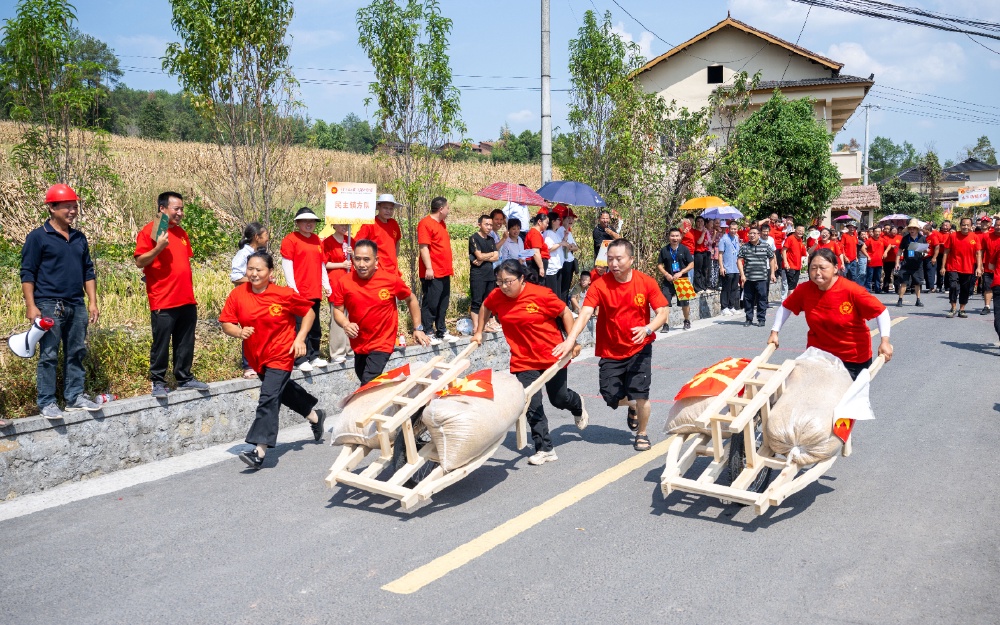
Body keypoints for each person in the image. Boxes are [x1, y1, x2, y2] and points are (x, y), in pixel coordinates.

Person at [554, 239, 670, 452]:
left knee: (641, 393)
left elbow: (663, 312)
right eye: (610, 259)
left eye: (619, 258)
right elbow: (586, 312)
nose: (614, 263)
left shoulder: (646, 282)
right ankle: (633, 406)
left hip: (639, 347)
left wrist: (648, 329)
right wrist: (570, 339)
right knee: (610, 395)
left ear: (631, 259)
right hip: (611, 349)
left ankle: (642, 433)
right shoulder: (600, 284)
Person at [472, 260, 588, 465]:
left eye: (508, 281)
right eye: (499, 282)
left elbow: (564, 312)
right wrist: (478, 332)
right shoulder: (497, 296)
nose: (504, 286)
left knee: (559, 398)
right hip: (523, 359)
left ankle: (577, 405)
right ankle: (544, 448)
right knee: (531, 403)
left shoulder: (540, 294)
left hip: (552, 354)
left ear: (521, 278)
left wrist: (572, 341)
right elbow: (485, 307)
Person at [219, 252, 328, 470]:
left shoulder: (283, 294)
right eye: (250, 269)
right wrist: (239, 332)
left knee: (268, 398)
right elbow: (226, 323)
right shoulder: (238, 294)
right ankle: (315, 416)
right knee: (282, 391)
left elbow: (308, 313)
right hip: (257, 356)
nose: (254, 273)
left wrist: (300, 338)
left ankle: (259, 451)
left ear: (270, 273)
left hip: (282, 353)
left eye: (259, 270)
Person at [20, 183, 101, 418]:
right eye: (67, 207)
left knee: (77, 351)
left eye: (74, 206)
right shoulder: (37, 237)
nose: (73, 211)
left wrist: (93, 302)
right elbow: (27, 273)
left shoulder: (79, 238)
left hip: (77, 304)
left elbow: (88, 271)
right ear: (52, 208)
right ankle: (46, 402)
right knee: (49, 354)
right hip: (48, 304)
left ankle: (74, 397)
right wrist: (30, 305)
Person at [769, 247, 893, 380]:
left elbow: (881, 312)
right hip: (818, 356)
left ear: (835, 268)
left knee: (848, 399)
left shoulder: (852, 290)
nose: (817, 273)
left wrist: (884, 341)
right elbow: (786, 307)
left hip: (852, 358)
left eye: (822, 268)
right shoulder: (804, 290)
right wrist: (774, 332)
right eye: (813, 268)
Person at [134, 191, 209, 398]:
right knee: (161, 342)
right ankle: (158, 381)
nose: (180, 213)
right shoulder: (151, 231)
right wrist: (158, 248)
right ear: (162, 209)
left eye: (182, 209)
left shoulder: (181, 233)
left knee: (186, 341)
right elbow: (140, 261)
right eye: (176, 208)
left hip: (185, 297)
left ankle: (184, 378)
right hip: (163, 299)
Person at [332, 240, 431, 384]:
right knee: (367, 380)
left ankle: (365, 406)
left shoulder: (390, 280)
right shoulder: (344, 282)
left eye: (366, 259)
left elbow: (412, 300)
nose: (361, 264)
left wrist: (418, 328)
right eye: (357, 259)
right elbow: (338, 310)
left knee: (367, 383)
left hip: (382, 342)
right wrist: (345, 324)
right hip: (359, 342)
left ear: (376, 260)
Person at [280, 207, 330, 371]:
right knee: (300, 325)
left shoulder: (317, 240)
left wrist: (326, 284)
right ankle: (300, 359)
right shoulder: (291, 239)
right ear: (297, 222)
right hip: (299, 291)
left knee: (315, 325)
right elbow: (287, 264)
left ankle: (314, 355)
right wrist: (292, 287)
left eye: (312, 221)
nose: (309, 224)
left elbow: (322, 264)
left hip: (314, 290)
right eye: (305, 221)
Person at [231, 222, 270, 378]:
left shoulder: (258, 253)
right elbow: (235, 277)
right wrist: (257, 279)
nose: (267, 238)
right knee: (249, 331)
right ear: (257, 237)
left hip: (261, 296)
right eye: (265, 235)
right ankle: (248, 366)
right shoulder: (243, 254)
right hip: (247, 297)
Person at [418, 196, 457, 345]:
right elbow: (424, 247)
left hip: (445, 270)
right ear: (441, 209)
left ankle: (441, 329)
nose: (449, 210)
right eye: (447, 208)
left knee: (443, 302)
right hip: (433, 271)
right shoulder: (425, 223)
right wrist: (429, 267)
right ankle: (428, 331)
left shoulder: (442, 224)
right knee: (431, 302)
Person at [940, 217, 984, 318]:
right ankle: (953, 307)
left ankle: (962, 309)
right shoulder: (953, 235)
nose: (965, 227)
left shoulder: (975, 237)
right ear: (960, 225)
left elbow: (978, 253)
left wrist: (979, 267)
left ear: (971, 226)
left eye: (968, 225)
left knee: (965, 289)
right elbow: (946, 252)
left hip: (968, 268)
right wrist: (943, 266)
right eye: (963, 225)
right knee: (953, 286)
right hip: (953, 266)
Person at [322, 223, 353, 364]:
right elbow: (324, 263)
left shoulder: (351, 241)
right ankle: (337, 352)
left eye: (346, 224)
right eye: (341, 223)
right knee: (337, 317)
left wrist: (353, 254)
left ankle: (351, 349)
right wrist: (341, 264)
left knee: (351, 315)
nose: (344, 226)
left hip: (351, 281)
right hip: (335, 282)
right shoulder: (328, 242)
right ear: (334, 224)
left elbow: (359, 261)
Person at [737, 226, 777, 327]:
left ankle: (761, 319)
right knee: (748, 299)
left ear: (759, 235)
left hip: (762, 278)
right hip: (748, 278)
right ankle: (748, 319)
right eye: (750, 233)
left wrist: (772, 273)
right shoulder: (744, 247)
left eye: (754, 233)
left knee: (762, 299)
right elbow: (739, 260)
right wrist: (742, 274)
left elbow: (772, 258)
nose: (752, 235)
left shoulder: (766, 246)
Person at [657, 227, 695, 331]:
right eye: (672, 236)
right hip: (668, 281)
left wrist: (681, 272)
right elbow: (659, 265)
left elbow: (691, 264)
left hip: (682, 280)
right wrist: (666, 274)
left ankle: (686, 320)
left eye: (677, 236)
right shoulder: (664, 250)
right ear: (669, 237)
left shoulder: (684, 249)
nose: (675, 238)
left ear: (680, 237)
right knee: (665, 303)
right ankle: (665, 325)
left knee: (685, 303)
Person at [355, 194, 403, 277]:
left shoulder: (394, 223)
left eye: (391, 209)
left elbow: (397, 241)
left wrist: (395, 257)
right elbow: (357, 243)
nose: (388, 211)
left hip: (393, 269)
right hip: (377, 269)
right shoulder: (370, 224)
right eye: (385, 208)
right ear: (378, 207)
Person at [469, 214, 499, 333]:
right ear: (479, 224)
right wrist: (488, 255)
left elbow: (496, 256)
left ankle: (484, 324)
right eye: (487, 224)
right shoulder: (474, 238)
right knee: (477, 301)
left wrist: (483, 258)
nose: (489, 227)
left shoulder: (491, 240)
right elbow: (479, 255)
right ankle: (476, 327)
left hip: (489, 274)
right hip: (478, 275)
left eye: (491, 225)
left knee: (488, 301)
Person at [894, 219, 927, 308]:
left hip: (917, 264)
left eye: (914, 228)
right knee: (904, 282)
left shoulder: (922, 238)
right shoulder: (905, 238)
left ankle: (918, 300)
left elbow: (927, 250)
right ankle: (900, 300)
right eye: (910, 228)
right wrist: (897, 263)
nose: (912, 230)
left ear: (917, 229)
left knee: (917, 283)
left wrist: (923, 249)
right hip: (906, 264)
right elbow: (899, 251)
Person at [717, 221, 741, 315]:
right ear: (728, 228)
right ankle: (724, 307)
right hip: (727, 267)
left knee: (734, 288)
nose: (733, 231)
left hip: (735, 267)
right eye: (732, 229)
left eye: (735, 229)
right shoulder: (724, 239)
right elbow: (720, 254)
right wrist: (721, 267)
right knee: (726, 288)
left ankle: (731, 306)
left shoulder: (736, 238)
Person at [559, 207, 581, 305]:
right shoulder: (560, 230)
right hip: (564, 262)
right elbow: (565, 246)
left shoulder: (569, 232)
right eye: (568, 218)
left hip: (570, 261)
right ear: (563, 219)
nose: (571, 220)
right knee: (563, 288)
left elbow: (575, 247)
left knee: (567, 287)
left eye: (572, 218)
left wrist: (570, 246)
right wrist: (569, 245)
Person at [543, 212, 566, 298]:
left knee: (557, 293)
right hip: (551, 267)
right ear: (553, 221)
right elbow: (549, 248)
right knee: (552, 293)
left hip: (557, 266)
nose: (560, 221)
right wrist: (560, 243)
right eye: (558, 219)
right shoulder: (548, 233)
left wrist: (565, 237)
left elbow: (560, 244)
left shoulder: (555, 233)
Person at [981, 215, 1000, 317]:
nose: (998, 227)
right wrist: (980, 265)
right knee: (987, 287)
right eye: (997, 225)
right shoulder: (987, 236)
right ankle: (987, 306)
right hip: (989, 267)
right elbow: (981, 251)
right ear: (993, 225)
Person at [524, 212, 549, 283]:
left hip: (536, 263)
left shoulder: (535, 233)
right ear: (539, 222)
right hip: (535, 264)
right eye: (546, 223)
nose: (547, 225)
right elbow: (536, 252)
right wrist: (541, 267)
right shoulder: (535, 234)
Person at [782, 224, 806, 293]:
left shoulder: (800, 240)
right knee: (791, 286)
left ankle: (790, 302)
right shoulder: (790, 238)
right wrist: (786, 262)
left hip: (797, 266)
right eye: (799, 230)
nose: (800, 232)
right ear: (795, 230)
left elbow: (803, 254)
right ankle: (789, 303)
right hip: (790, 265)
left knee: (794, 285)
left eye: (802, 231)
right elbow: (784, 250)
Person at [691, 216, 711, 292]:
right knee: (698, 270)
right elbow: (699, 242)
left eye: (701, 221)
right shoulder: (694, 232)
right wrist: (703, 233)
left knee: (704, 269)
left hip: (705, 252)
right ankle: (697, 287)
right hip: (698, 252)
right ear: (695, 223)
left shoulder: (705, 231)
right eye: (698, 221)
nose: (700, 223)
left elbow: (706, 242)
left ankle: (703, 285)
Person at [864, 227, 886, 293]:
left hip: (879, 261)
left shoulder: (882, 240)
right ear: (873, 232)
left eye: (879, 231)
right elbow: (863, 248)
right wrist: (868, 256)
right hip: (871, 262)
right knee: (869, 276)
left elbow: (889, 245)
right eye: (876, 231)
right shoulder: (869, 240)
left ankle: (877, 289)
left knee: (878, 277)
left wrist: (885, 252)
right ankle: (867, 289)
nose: (878, 233)